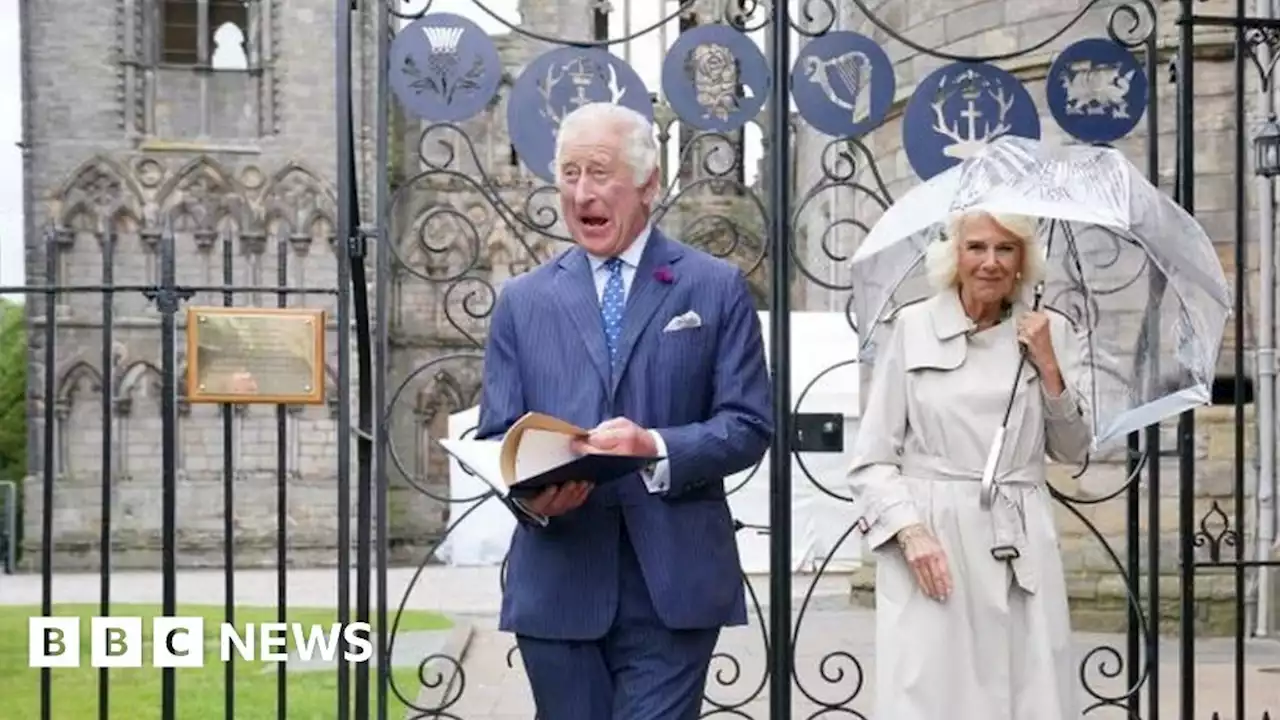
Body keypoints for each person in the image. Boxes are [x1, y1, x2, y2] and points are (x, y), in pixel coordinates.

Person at [473, 101, 773, 719]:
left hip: (674, 582)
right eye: (570, 173)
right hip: (559, 581)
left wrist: (656, 447)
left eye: (600, 172)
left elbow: (747, 424)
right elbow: (496, 437)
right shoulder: (521, 303)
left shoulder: (712, 287)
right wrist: (529, 497)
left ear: (648, 184)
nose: (582, 192)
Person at [847, 209, 1091, 720]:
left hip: (1020, 540)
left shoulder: (1053, 332)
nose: (990, 263)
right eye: (977, 247)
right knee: (931, 696)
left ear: (1024, 261)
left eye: (1006, 250)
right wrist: (911, 534)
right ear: (954, 256)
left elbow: (1073, 449)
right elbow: (871, 460)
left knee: (1030, 695)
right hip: (935, 543)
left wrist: (1048, 363)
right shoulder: (912, 327)